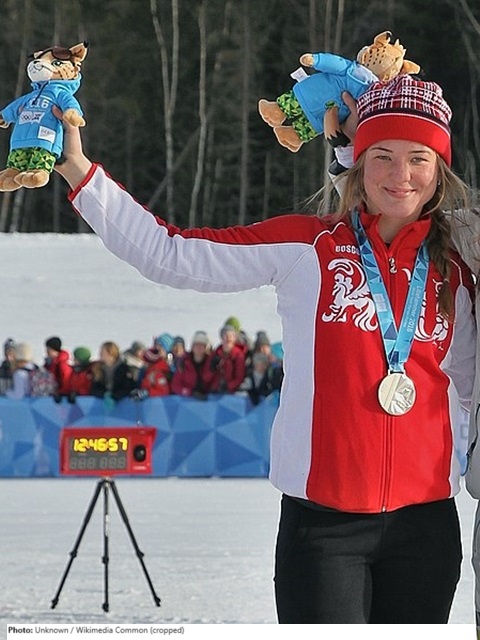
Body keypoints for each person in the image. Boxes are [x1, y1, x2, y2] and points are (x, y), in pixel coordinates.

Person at [55, 73, 476, 624]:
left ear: (439, 170)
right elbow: (172, 253)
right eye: (383, 156)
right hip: (324, 531)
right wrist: (79, 172)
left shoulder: (455, 273)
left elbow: (467, 389)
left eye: (418, 158)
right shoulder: (306, 246)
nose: (401, 175)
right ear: (357, 161)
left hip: (426, 530)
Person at [171, 330, 215, 399]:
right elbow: (175, 386)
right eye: (196, 345)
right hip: (188, 401)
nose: (199, 348)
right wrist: (189, 392)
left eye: (202, 345)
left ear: (206, 348)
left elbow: (215, 381)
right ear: (192, 347)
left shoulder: (211, 363)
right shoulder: (184, 363)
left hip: (208, 399)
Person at [210, 323, 247, 394]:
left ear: (234, 338)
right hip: (215, 391)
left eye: (231, 336)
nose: (228, 338)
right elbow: (206, 377)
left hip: (231, 392)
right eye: (226, 335)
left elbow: (239, 378)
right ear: (221, 337)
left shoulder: (239, 355)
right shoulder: (215, 353)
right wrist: (211, 369)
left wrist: (228, 386)